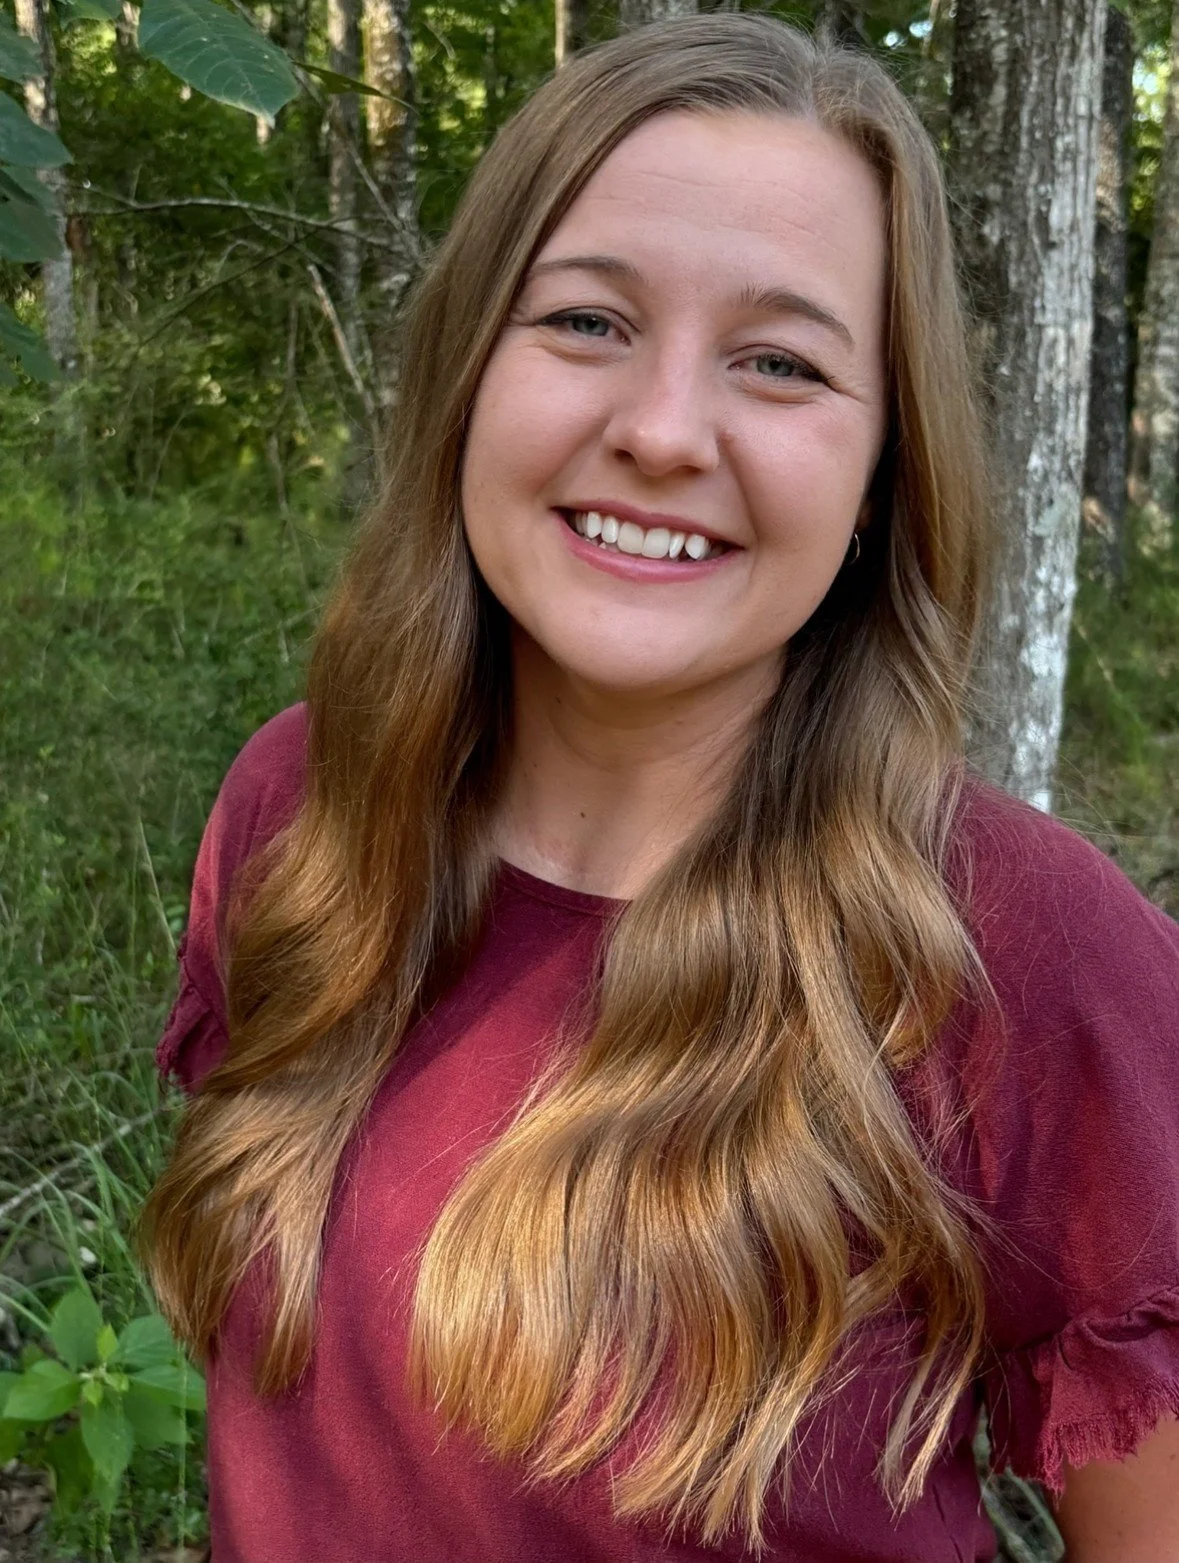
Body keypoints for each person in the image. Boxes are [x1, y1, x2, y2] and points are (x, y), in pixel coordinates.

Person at [141, 14, 1179, 1562]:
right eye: (584, 322)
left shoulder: (1018, 952)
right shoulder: (304, 810)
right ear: (466, 367)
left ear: (881, 470)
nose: (660, 429)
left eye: (779, 361)